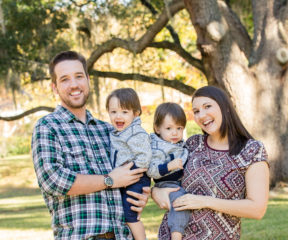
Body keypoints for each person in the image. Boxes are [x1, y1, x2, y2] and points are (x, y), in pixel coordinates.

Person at [31, 51, 150, 240]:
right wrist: (109, 180)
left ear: (87, 79)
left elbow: (129, 173)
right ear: (54, 87)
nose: (74, 85)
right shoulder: (48, 127)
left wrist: (140, 194)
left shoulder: (108, 130)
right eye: (65, 79)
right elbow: (53, 180)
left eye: (79, 76)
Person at [152, 86, 269, 240]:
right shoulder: (192, 144)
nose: (201, 115)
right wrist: (155, 192)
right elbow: (166, 177)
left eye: (207, 106)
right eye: (196, 111)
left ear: (225, 107)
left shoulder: (252, 151)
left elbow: (257, 209)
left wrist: (205, 201)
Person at [106, 88, 152, 240]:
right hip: (124, 178)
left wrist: (127, 173)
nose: (118, 116)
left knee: (130, 215)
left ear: (135, 113)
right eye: (113, 112)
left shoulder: (136, 133)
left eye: (124, 112)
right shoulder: (118, 132)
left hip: (136, 177)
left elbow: (144, 158)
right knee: (122, 214)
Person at [146, 102, 189, 240]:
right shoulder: (157, 148)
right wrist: (169, 166)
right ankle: (176, 234)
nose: (175, 132)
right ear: (157, 129)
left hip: (178, 182)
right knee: (180, 201)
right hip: (166, 184)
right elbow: (151, 171)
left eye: (179, 128)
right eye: (169, 128)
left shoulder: (180, 144)